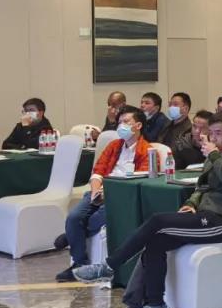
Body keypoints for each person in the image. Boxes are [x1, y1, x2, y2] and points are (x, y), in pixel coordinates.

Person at [73, 110, 222, 308]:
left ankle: (109, 266)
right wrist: (192, 203)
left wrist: (214, 156)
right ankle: (156, 306)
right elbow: (203, 187)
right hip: (204, 215)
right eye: (212, 133)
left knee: (158, 221)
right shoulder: (216, 155)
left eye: (219, 133)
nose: (213, 138)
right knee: (156, 241)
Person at [56, 106, 151, 282]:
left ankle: (72, 236)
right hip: (99, 191)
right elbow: (98, 171)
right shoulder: (114, 146)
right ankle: (79, 264)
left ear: (138, 125)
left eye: (126, 122)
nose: (121, 126)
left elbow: (140, 181)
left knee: (93, 220)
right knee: (73, 218)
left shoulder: (147, 150)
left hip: (120, 197)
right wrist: (95, 191)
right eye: (119, 122)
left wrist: (110, 193)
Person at [158, 92, 194, 159]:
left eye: (175, 104)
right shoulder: (166, 125)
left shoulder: (189, 130)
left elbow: (180, 153)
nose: (171, 107)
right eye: (170, 104)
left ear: (185, 109)